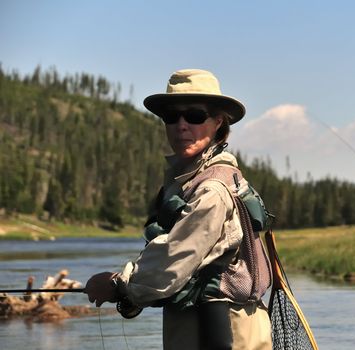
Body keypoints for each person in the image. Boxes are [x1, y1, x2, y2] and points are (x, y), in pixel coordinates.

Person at [85, 69, 273, 350]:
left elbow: (172, 259)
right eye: (172, 117)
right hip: (202, 326)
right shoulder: (191, 180)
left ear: (217, 123)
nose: (181, 125)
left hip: (224, 331)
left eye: (195, 116)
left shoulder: (212, 190)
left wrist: (117, 285)